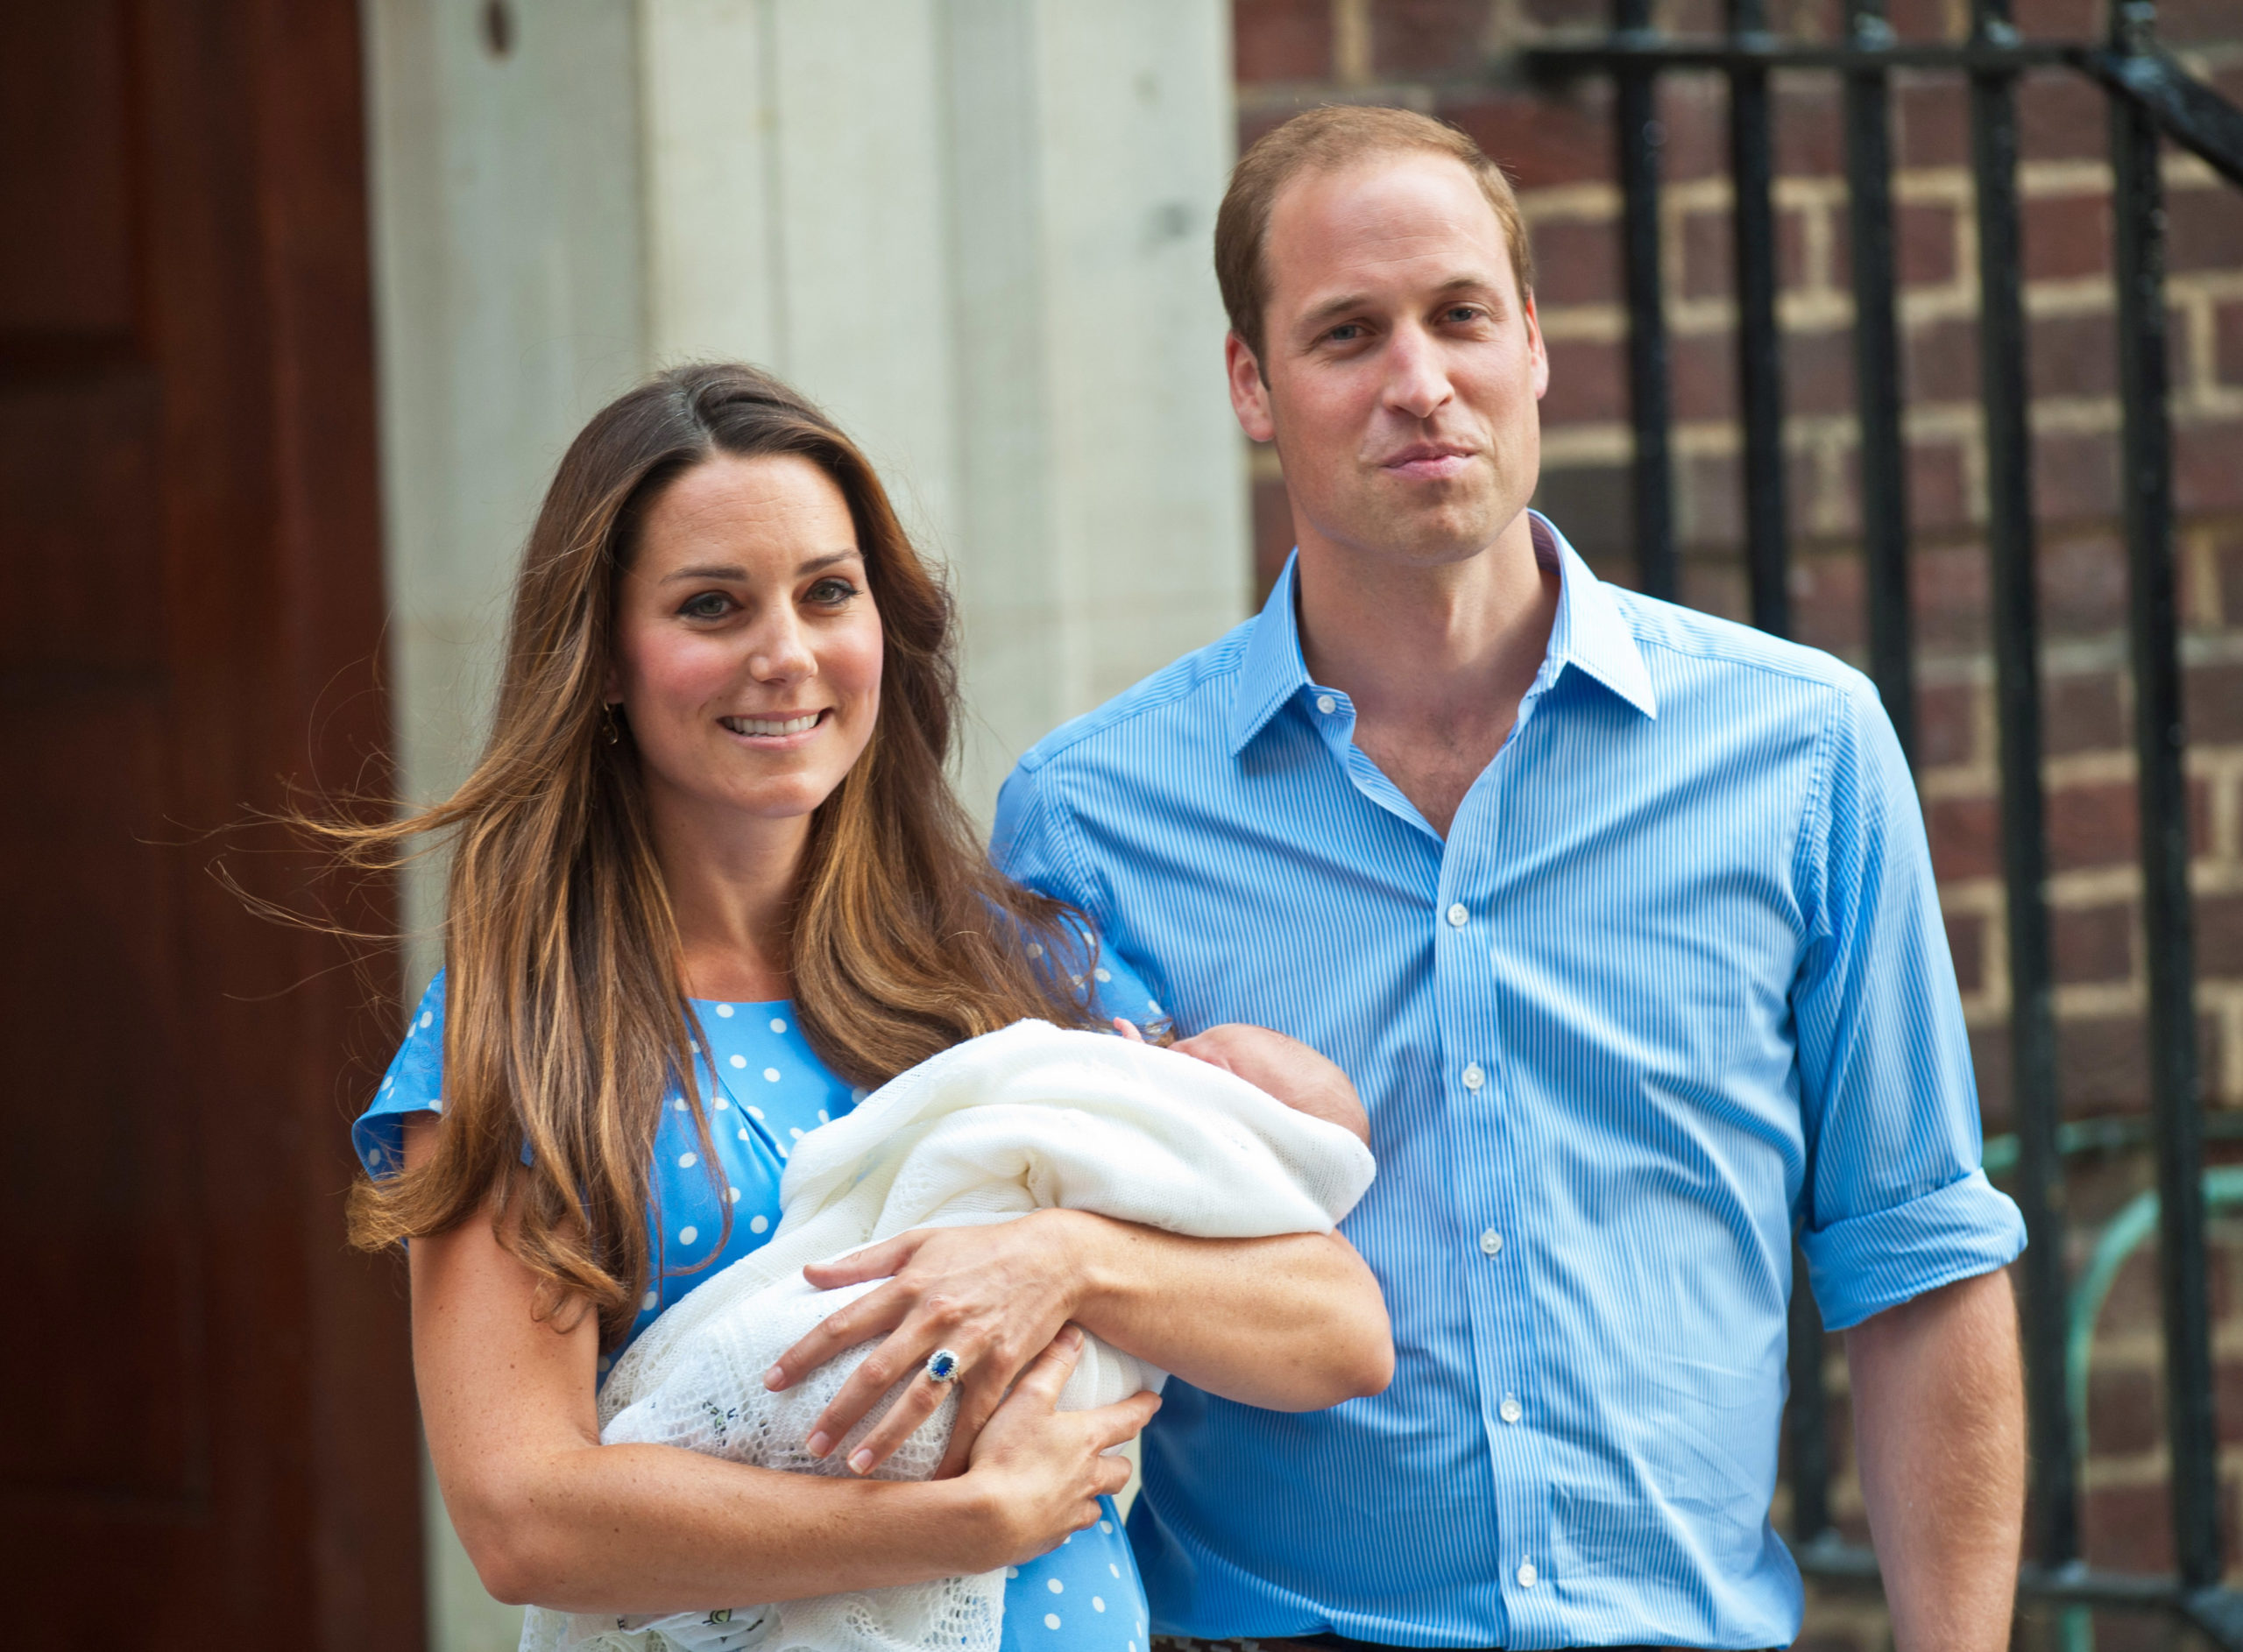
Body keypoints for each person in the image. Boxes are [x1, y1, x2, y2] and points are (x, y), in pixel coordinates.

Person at [992, 106, 2027, 1652]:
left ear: (1533, 342)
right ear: (1251, 387)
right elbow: (1061, 1311)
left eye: (1459, 315)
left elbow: (1918, 1261)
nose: (1421, 381)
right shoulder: (1090, 819)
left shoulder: (1802, 750)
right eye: (1347, 333)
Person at [335, 364, 1394, 1649]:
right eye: (713, 606)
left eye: (827, 593)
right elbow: (523, 1516)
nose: (785, 655)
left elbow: (1336, 1329)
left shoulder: (1020, 964)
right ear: (604, 660)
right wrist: (952, 1528)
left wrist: (1064, 1258)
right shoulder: (524, 1034)